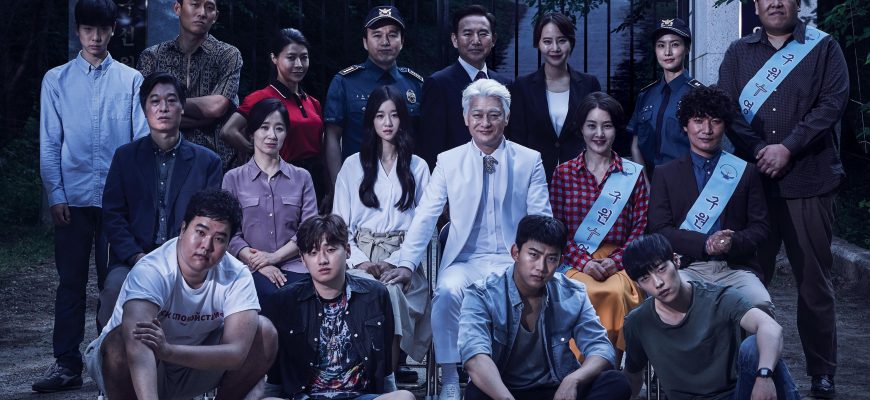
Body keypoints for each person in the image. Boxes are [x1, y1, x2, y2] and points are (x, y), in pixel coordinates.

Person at [383, 79, 552, 400]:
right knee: (446, 291)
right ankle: (449, 375)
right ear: (465, 118)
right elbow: (425, 216)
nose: (485, 122)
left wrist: (537, 264)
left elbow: (541, 220)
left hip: (512, 261)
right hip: (465, 260)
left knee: (523, 293)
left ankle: (515, 377)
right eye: (477, 115)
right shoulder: (449, 161)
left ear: (506, 117)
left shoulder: (529, 160)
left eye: (493, 115)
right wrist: (406, 264)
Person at [718, 1, 848, 396]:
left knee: (813, 281)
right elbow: (727, 109)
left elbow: (832, 104)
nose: (775, 2)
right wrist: (761, 149)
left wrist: (788, 147)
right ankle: (746, 367)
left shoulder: (823, 47)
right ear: (756, 5)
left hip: (809, 181)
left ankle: (821, 371)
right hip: (753, 184)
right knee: (748, 280)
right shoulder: (738, 53)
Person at [34, 0, 149, 392]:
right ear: (78, 31)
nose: (95, 37)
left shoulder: (131, 80)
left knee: (113, 285)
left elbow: (139, 143)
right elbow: (50, 142)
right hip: (73, 198)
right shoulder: (56, 80)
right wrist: (55, 194)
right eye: (88, 29)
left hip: (116, 203)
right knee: (70, 283)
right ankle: (66, 364)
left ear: (113, 29)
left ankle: (107, 364)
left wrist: (132, 200)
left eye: (102, 29)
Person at [84, 189, 277, 400]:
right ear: (183, 229)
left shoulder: (237, 274)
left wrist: (169, 351)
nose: (206, 246)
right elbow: (136, 344)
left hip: (189, 363)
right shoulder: (153, 269)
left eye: (219, 239)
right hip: (136, 364)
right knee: (123, 340)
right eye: (200, 232)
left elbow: (236, 353)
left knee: (264, 332)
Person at [97, 72, 223, 328]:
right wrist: (135, 256)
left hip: (187, 259)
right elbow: (113, 215)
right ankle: (109, 352)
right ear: (145, 109)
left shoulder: (207, 161)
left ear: (182, 107)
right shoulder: (125, 157)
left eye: (171, 100)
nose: (163, 108)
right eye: (155, 101)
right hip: (133, 258)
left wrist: (183, 258)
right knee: (114, 290)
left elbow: (210, 220)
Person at [459, 215, 632, 400]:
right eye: (533, 255)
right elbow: (474, 357)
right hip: (504, 392)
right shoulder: (482, 294)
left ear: (560, 261)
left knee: (616, 382)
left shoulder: (573, 293)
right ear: (516, 253)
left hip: (555, 389)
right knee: (477, 392)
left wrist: (573, 380)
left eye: (551, 258)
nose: (541, 267)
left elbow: (601, 348)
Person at [621, 234, 800, 400]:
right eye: (645, 279)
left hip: (735, 395)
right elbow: (632, 376)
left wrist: (764, 376)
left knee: (755, 347)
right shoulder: (638, 322)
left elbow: (770, 326)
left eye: (661, 269)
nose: (658, 283)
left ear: (676, 261)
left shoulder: (719, 298)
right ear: (639, 285)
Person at [648, 85, 773, 315]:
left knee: (760, 304)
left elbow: (761, 227)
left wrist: (732, 242)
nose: (706, 130)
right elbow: (659, 230)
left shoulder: (746, 172)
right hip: (686, 267)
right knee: (675, 305)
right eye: (698, 121)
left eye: (715, 121)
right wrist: (705, 243)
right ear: (685, 125)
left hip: (735, 268)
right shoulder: (665, 174)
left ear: (725, 126)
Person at [261, 214, 416, 400]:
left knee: (404, 397)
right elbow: (275, 376)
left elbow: (385, 366)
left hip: (359, 395)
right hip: (306, 397)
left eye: (331, 250)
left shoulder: (375, 295)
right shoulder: (285, 301)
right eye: (313, 253)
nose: (322, 260)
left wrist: (389, 393)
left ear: (348, 251)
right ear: (302, 259)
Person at [333, 86, 432, 369]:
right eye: (380, 116)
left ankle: (387, 370)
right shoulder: (352, 165)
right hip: (359, 253)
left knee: (390, 291)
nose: (387, 123)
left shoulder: (418, 167)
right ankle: (369, 367)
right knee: (369, 289)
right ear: (371, 121)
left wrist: (398, 261)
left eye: (394, 115)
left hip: (403, 256)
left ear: (403, 119)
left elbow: (424, 226)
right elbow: (339, 225)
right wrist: (360, 261)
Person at [549, 92, 647, 361]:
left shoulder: (632, 174)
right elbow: (557, 230)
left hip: (621, 262)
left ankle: (605, 368)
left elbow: (639, 228)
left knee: (613, 292)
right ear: (581, 128)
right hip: (572, 260)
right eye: (592, 126)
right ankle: (576, 368)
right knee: (581, 292)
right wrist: (584, 262)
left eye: (607, 126)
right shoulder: (563, 174)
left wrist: (615, 262)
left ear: (616, 129)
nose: (599, 134)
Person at [324, 5, 424, 208]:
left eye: (392, 35)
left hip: (404, 185)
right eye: (377, 35)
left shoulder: (414, 84)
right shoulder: (345, 82)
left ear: (402, 41)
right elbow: (332, 137)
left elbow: (423, 137)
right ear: (365, 41)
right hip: (358, 184)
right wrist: (337, 187)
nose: (385, 42)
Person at [221, 28, 329, 209]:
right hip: (280, 178)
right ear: (274, 58)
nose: (299, 64)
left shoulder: (313, 102)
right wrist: (257, 151)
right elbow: (228, 131)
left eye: (304, 57)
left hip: (315, 180)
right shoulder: (260, 97)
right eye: (291, 57)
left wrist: (329, 188)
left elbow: (323, 149)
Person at [222, 98, 318, 301]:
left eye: (279, 129)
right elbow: (230, 233)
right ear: (252, 132)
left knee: (301, 295)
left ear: (286, 133)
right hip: (248, 267)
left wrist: (274, 257)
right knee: (265, 294)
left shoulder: (302, 177)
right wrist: (259, 263)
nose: (272, 135)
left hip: (296, 266)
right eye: (264, 127)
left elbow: (309, 230)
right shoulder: (233, 178)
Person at [138, 0, 242, 170]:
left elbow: (216, 107)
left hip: (219, 163)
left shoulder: (228, 55)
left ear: (216, 16)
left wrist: (166, 110)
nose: (202, 13)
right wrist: (205, 118)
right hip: (164, 162)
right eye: (195, 4)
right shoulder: (152, 56)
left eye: (209, 7)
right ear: (177, 8)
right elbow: (143, 110)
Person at [507, 12, 602, 182]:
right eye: (547, 41)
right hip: (535, 177)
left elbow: (597, 131)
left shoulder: (589, 84)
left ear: (571, 42)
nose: (555, 48)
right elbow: (517, 139)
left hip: (581, 177)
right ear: (538, 44)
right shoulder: (522, 86)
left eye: (562, 40)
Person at [418, 4, 513, 169]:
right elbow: (431, 145)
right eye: (468, 34)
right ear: (455, 40)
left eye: (483, 34)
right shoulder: (438, 84)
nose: (476, 41)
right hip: (456, 176)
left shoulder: (505, 84)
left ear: (493, 40)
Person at [627, 18, 703, 175]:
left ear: (687, 48)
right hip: (648, 182)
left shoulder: (699, 94)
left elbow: (706, 147)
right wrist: (644, 183)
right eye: (661, 45)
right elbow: (635, 144)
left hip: (685, 180)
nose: (667, 52)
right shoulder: (646, 95)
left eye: (675, 44)